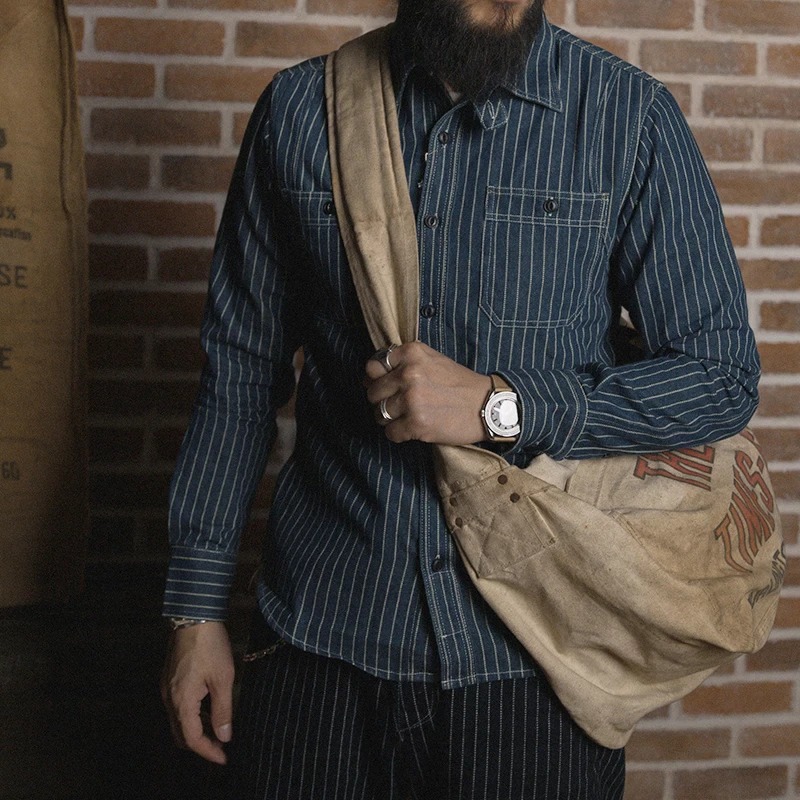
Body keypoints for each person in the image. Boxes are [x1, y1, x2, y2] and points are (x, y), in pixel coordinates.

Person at [161, 0, 760, 796]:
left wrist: (498, 406)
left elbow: (720, 375)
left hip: (537, 647)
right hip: (320, 633)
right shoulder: (302, 109)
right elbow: (239, 372)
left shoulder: (628, 117)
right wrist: (195, 611)